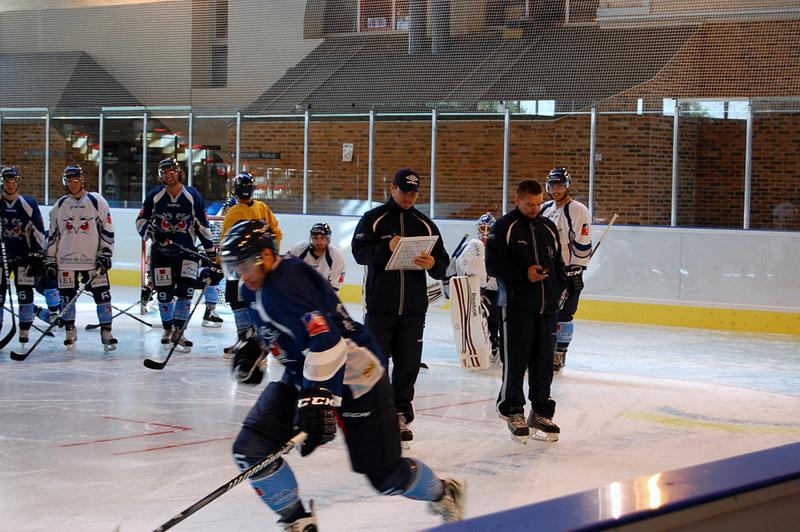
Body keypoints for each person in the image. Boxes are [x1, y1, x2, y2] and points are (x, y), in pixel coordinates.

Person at [220, 220, 465, 530]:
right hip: (306, 376)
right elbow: (282, 328)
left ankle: (445, 493)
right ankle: (298, 521)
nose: (242, 273)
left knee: (387, 477)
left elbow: (327, 341)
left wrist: (318, 397)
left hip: (357, 378)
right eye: (235, 266)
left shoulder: (285, 284)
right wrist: (255, 347)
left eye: (247, 264)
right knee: (251, 448)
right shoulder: (255, 286)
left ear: (268, 254)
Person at [351, 168, 450, 448]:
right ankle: (374, 415)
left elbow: (443, 264)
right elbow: (359, 254)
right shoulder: (374, 219)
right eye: (404, 191)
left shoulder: (426, 225)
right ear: (392, 189)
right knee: (377, 364)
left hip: (413, 310)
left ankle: (399, 414)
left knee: (407, 365)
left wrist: (434, 265)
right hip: (380, 308)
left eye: (414, 193)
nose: (408, 197)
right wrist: (386, 248)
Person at [486, 179, 566, 444]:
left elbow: (557, 264)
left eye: (538, 203)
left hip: (547, 308)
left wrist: (563, 285)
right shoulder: (503, 228)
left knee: (544, 364)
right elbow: (494, 266)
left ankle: (540, 411)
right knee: (516, 361)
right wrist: (524, 274)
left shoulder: (548, 227)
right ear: (517, 200)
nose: (535, 208)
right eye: (530, 204)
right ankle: (512, 409)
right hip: (516, 307)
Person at [135, 158, 215, 352]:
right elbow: (140, 221)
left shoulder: (192, 195)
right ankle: (168, 329)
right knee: (164, 295)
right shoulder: (155, 194)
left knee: (185, 294)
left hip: (187, 253)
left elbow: (203, 225)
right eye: (165, 172)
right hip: (161, 254)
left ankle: (180, 331)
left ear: (179, 173)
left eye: (172, 171)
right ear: (161, 175)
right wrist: (153, 233)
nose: (169, 175)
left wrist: (211, 253)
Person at [46, 165, 116, 352]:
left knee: (102, 295)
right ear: (65, 182)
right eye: (69, 180)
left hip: (92, 260)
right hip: (66, 260)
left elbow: (107, 231)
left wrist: (106, 252)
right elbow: (53, 235)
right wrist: (50, 259)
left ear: (82, 180)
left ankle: (106, 331)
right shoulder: (60, 205)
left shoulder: (96, 201)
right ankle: (70, 330)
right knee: (67, 297)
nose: (73, 183)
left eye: (76, 180)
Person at [219, 171, 282, 356]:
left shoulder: (237, 211)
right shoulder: (260, 208)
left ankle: (249, 340)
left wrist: (218, 263)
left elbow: (225, 240)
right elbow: (276, 233)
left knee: (239, 298)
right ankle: (250, 339)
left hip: (243, 266)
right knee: (241, 298)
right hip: (255, 266)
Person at [540, 168, 592, 373]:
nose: (556, 189)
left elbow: (582, 239)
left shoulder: (577, 209)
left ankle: (559, 354)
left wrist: (577, 267)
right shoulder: (545, 208)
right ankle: (543, 351)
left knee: (565, 314)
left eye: (560, 185)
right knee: (545, 312)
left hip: (567, 271)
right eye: (553, 185)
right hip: (547, 271)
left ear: (567, 185)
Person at [0, 166, 48, 344]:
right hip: (1, 259)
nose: (10, 184)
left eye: (13, 181)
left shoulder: (27, 203)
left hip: (23, 258)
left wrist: (37, 253)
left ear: (18, 182)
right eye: (6, 181)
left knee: (25, 293)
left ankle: (25, 329)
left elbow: (38, 229)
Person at [453, 212, 500, 362]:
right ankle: (480, 345)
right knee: (479, 318)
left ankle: (496, 344)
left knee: (496, 320)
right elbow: (459, 267)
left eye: (488, 228)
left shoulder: (499, 247)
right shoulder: (471, 246)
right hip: (477, 290)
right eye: (482, 228)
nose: (485, 232)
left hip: (496, 292)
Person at [287, 222, 346, 291]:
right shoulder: (299, 250)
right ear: (311, 238)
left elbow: (334, 287)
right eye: (315, 237)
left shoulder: (336, 256)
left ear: (328, 239)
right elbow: (286, 269)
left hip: (324, 296)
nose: (319, 241)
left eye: (323, 237)